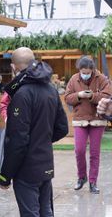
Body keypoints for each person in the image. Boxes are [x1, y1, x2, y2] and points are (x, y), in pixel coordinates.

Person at [0, 47, 68, 217]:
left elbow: (17, 141)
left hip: (27, 169)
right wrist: (41, 140)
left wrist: (5, 176)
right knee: (46, 211)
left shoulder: (22, 94)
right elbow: (62, 128)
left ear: (14, 67)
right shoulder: (50, 89)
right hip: (45, 163)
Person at [64, 56, 111, 194]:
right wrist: (79, 94)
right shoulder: (74, 79)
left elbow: (108, 95)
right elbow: (67, 98)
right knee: (79, 150)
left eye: (88, 72)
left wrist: (91, 96)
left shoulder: (101, 78)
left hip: (97, 119)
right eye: (83, 72)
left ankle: (93, 182)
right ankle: (81, 177)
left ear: (92, 70)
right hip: (80, 119)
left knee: (95, 153)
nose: (85, 74)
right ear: (79, 70)